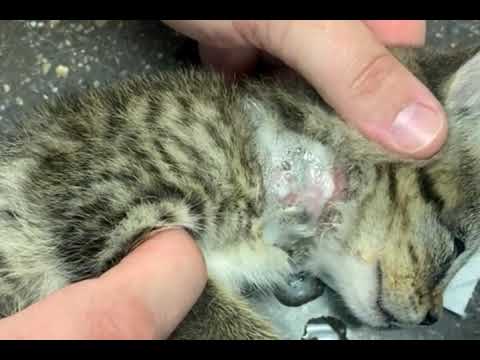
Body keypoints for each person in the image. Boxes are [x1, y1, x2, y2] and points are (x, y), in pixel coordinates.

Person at [0, 20, 446, 339]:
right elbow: (96, 202)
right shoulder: (226, 135)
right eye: (452, 251)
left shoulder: (280, 218)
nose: (435, 309)